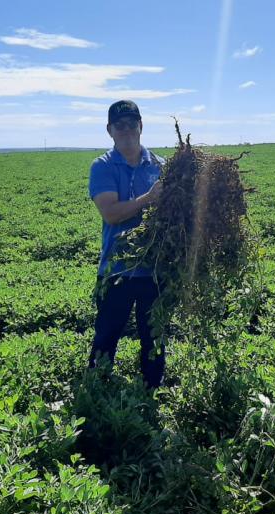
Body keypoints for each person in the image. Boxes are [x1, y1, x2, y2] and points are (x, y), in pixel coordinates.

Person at [87, 100, 165, 388]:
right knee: (106, 335)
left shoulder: (160, 165)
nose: (127, 130)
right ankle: (97, 389)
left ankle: (152, 391)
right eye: (119, 125)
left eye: (132, 123)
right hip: (116, 269)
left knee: (154, 337)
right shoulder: (103, 167)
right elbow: (110, 213)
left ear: (141, 127)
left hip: (154, 270)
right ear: (110, 131)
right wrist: (148, 198)